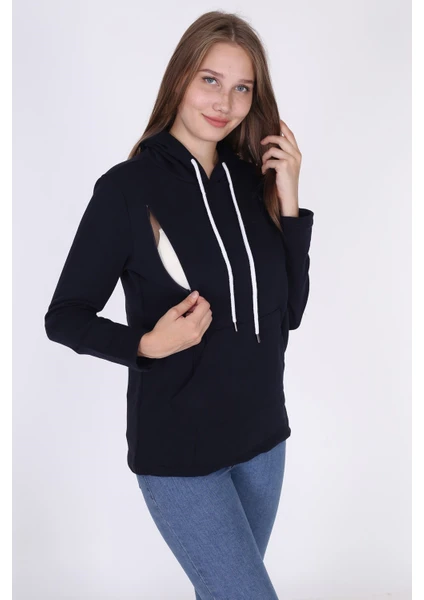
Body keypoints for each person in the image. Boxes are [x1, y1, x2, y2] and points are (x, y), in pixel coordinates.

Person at [44, 10, 314, 600]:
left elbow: (289, 312)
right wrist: (145, 344)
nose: (225, 102)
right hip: (183, 454)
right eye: (210, 80)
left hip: (265, 440)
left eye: (242, 88)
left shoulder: (252, 180)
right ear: (180, 78)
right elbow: (64, 316)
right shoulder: (126, 189)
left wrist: (289, 198)